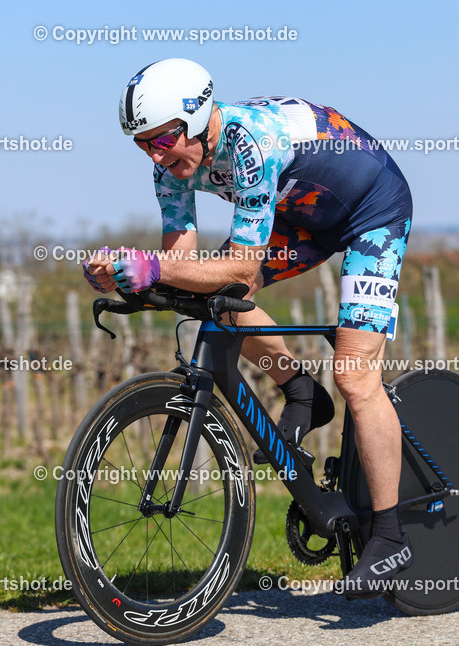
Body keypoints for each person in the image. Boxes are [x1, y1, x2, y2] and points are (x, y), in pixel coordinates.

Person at [82, 58, 413, 598]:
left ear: (196, 118)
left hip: (371, 212)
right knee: (207, 295)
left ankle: (392, 535)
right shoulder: (170, 167)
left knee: (355, 377)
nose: (156, 155)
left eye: (162, 139)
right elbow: (181, 267)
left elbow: (237, 269)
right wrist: (127, 277)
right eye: (142, 144)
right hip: (300, 217)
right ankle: (301, 390)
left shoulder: (250, 144)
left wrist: (152, 267)